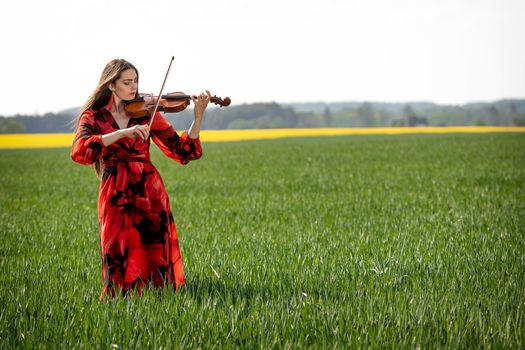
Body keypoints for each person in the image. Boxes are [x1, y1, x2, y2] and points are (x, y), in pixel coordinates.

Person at [71, 58, 210, 300]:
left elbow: (182, 151)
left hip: (149, 189)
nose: (134, 87)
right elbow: (80, 151)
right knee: (116, 247)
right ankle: (118, 302)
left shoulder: (147, 112)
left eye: (135, 81)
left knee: (153, 247)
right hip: (115, 189)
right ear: (111, 85)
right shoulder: (93, 117)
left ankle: (161, 301)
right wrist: (120, 133)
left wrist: (197, 118)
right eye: (127, 82)